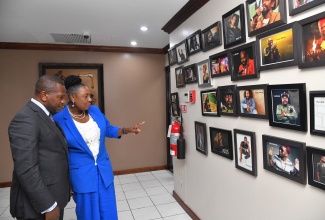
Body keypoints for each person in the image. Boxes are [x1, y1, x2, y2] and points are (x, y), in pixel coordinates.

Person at [53, 75, 145, 220]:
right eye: (85, 96)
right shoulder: (59, 119)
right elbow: (58, 154)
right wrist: (66, 181)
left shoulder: (95, 111)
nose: (90, 99)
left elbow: (107, 129)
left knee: (108, 212)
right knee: (88, 215)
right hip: (81, 176)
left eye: (90, 96)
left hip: (103, 172)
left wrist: (126, 130)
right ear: (72, 97)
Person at [8, 75, 70, 220]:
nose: (63, 102)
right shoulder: (26, 119)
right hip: (38, 205)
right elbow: (26, 168)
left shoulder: (45, 116)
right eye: (60, 97)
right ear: (44, 95)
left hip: (53, 194)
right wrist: (48, 205)